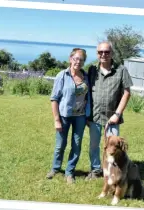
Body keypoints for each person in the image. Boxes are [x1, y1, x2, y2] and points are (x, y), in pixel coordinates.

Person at [85, 41, 133, 180]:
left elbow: (127, 92)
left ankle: (114, 171)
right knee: (94, 146)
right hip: (95, 116)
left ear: (112, 53)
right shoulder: (92, 69)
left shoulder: (121, 70)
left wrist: (117, 114)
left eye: (107, 52)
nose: (104, 54)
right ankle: (96, 170)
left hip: (113, 118)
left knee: (114, 148)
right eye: (100, 52)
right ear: (97, 54)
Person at [46, 48, 90, 184]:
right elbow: (54, 98)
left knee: (76, 145)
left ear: (83, 62)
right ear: (71, 59)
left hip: (80, 116)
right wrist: (57, 120)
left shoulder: (86, 76)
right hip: (64, 115)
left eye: (81, 59)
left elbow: (88, 97)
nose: (78, 61)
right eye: (76, 58)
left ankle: (69, 172)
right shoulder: (62, 75)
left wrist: (89, 115)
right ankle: (55, 168)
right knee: (60, 145)